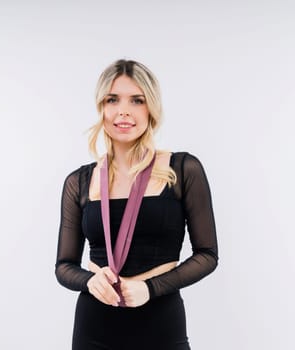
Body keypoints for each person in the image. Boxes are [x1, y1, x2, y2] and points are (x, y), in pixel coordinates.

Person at [55, 59, 218, 350]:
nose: (124, 111)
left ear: (151, 108)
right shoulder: (78, 181)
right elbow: (64, 266)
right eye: (113, 99)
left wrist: (149, 289)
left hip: (160, 324)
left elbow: (207, 255)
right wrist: (89, 281)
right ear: (101, 108)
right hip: (95, 327)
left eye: (137, 100)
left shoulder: (182, 169)